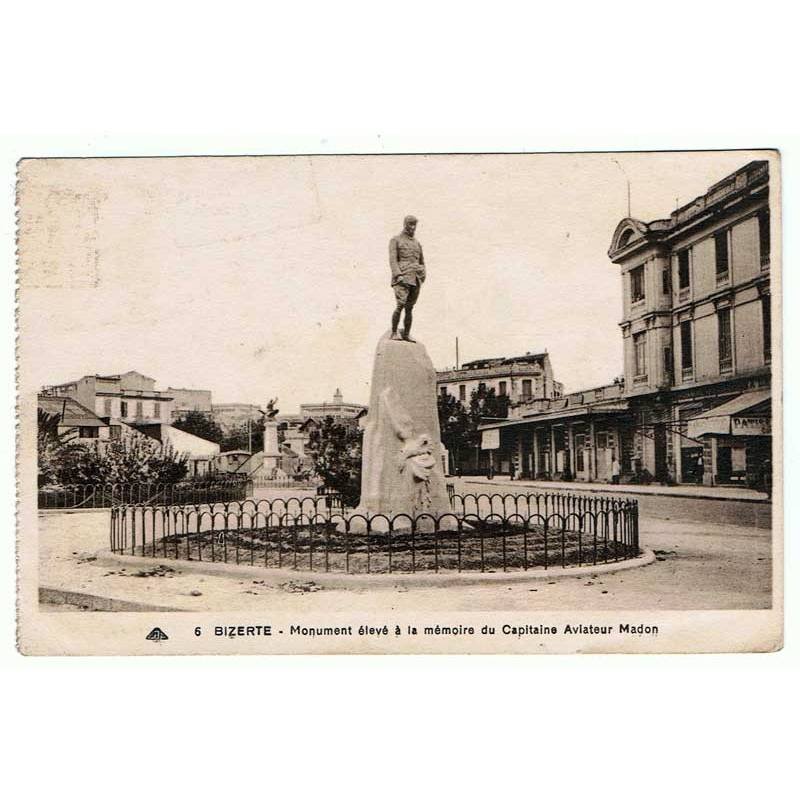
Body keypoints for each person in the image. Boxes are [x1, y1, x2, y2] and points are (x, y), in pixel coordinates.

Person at [389, 215, 426, 342]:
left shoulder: (417, 243)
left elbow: (422, 261)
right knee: (400, 305)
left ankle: (406, 333)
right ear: (405, 224)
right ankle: (394, 332)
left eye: (415, 224)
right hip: (402, 277)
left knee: (410, 308)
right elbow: (393, 260)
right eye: (410, 224)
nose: (413, 227)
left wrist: (423, 274)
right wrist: (398, 275)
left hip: (415, 278)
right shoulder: (396, 240)